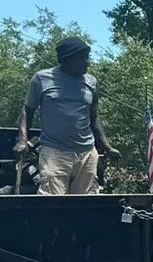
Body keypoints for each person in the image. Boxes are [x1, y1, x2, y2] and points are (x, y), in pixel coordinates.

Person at [17, 37, 120, 194]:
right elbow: (27, 111)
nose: (87, 62)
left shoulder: (91, 82)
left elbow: (93, 117)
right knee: (53, 204)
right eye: (82, 58)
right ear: (67, 59)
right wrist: (23, 140)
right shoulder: (42, 79)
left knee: (84, 205)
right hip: (54, 152)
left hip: (86, 153)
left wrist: (107, 147)